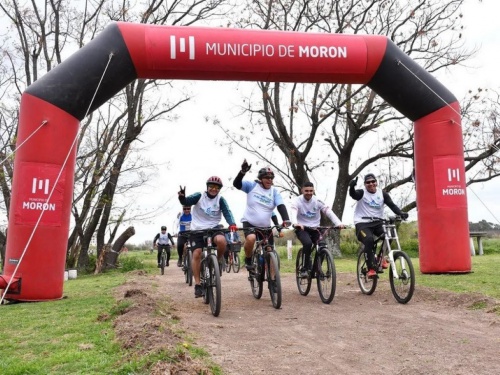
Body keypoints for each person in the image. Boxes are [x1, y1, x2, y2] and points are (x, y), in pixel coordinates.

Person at [178, 176, 237, 298]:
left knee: (221, 241)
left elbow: (227, 212)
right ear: (207, 187)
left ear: (219, 189)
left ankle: (218, 261)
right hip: (197, 229)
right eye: (211, 186)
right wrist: (182, 197)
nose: (214, 189)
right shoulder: (199, 196)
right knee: (197, 254)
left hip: (214, 227)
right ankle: (198, 285)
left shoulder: (220, 199)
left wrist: (232, 223)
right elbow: (186, 202)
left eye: (216, 187)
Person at [233, 160, 291, 271]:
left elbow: (281, 206)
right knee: (251, 238)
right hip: (249, 222)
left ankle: (273, 281)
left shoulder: (274, 192)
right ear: (261, 178)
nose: (269, 180)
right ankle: (249, 259)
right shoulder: (252, 185)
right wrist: (242, 172)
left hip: (265, 226)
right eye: (266, 177)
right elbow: (236, 184)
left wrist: (286, 219)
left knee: (270, 251)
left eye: (271, 178)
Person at [349, 173, 409, 278]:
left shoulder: (383, 194)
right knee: (368, 240)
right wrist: (351, 187)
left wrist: (401, 213)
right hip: (362, 223)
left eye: (373, 181)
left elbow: (392, 205)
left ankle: (381, 259)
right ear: (365, 184)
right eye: (368, 182)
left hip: (378, 222)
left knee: (390, 235)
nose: (371, 184)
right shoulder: (362, 193)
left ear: (376, 182)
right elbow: (354, 195)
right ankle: (371, 268)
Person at [291, 181, 345, 277]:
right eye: (306, 191)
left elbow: (328, 211)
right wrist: (295, 223)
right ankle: (304, 268)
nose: (309, 193)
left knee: (323, 246)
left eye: (311, 191)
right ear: (302, 190)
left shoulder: (318, 201)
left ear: (313, 191)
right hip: (302, 228)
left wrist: (338, 223)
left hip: (316, 228)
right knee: (307, 244)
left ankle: (316, 268)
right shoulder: (297, 201)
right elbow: (293, 212)